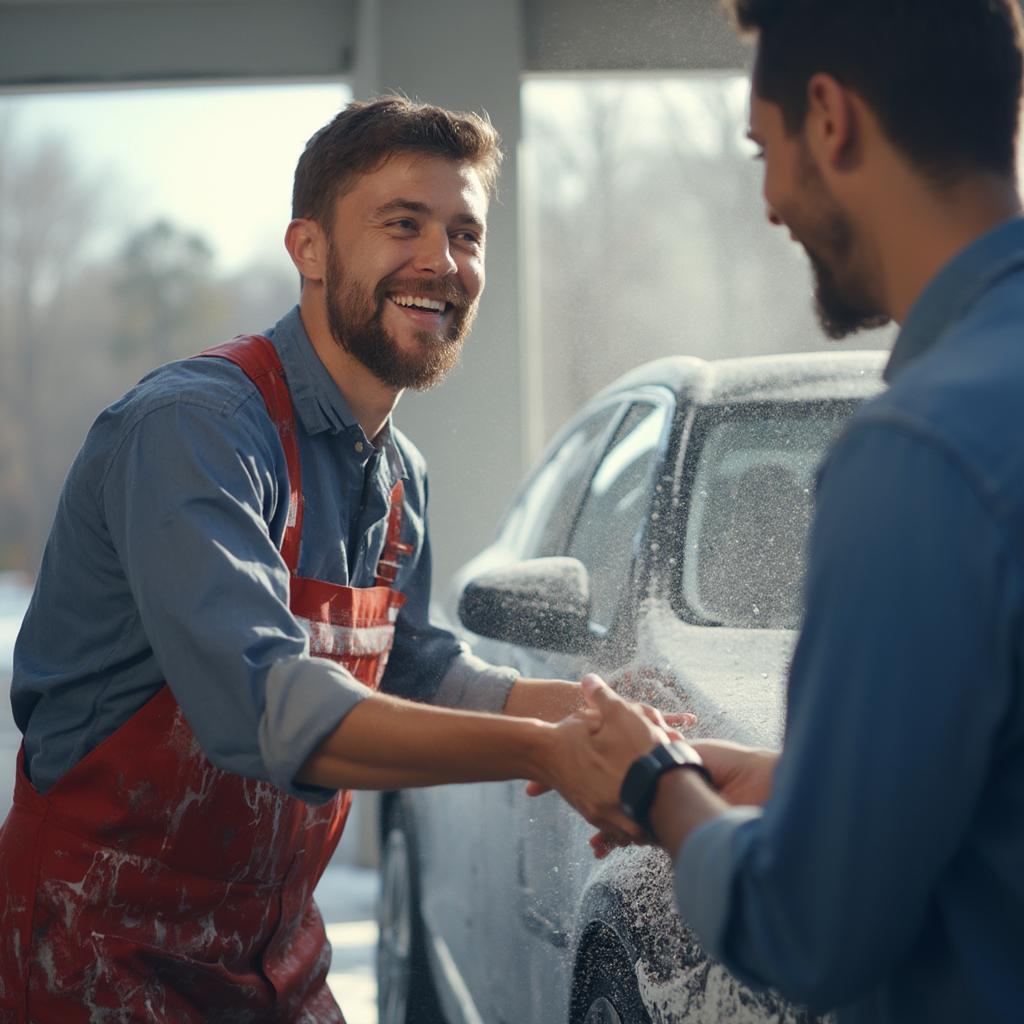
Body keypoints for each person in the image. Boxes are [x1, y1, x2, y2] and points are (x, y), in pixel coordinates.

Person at [0, 97, 673, 1022]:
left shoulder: (401, 478)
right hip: (98, 950)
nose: (443, 261)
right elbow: (266, 705)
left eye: (465, 233)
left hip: (274, 954)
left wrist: (590, 710)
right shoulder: (195, 431)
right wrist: (545, 753)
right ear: (309, 249)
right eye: (404, 224)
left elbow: (407, 666)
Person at [558, 1, 1024, 1021]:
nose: (769, 200)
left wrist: (657, 790)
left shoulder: (916, 455)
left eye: (760, 148)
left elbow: (809, 928)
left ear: (829, 118)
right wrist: (793, 778)